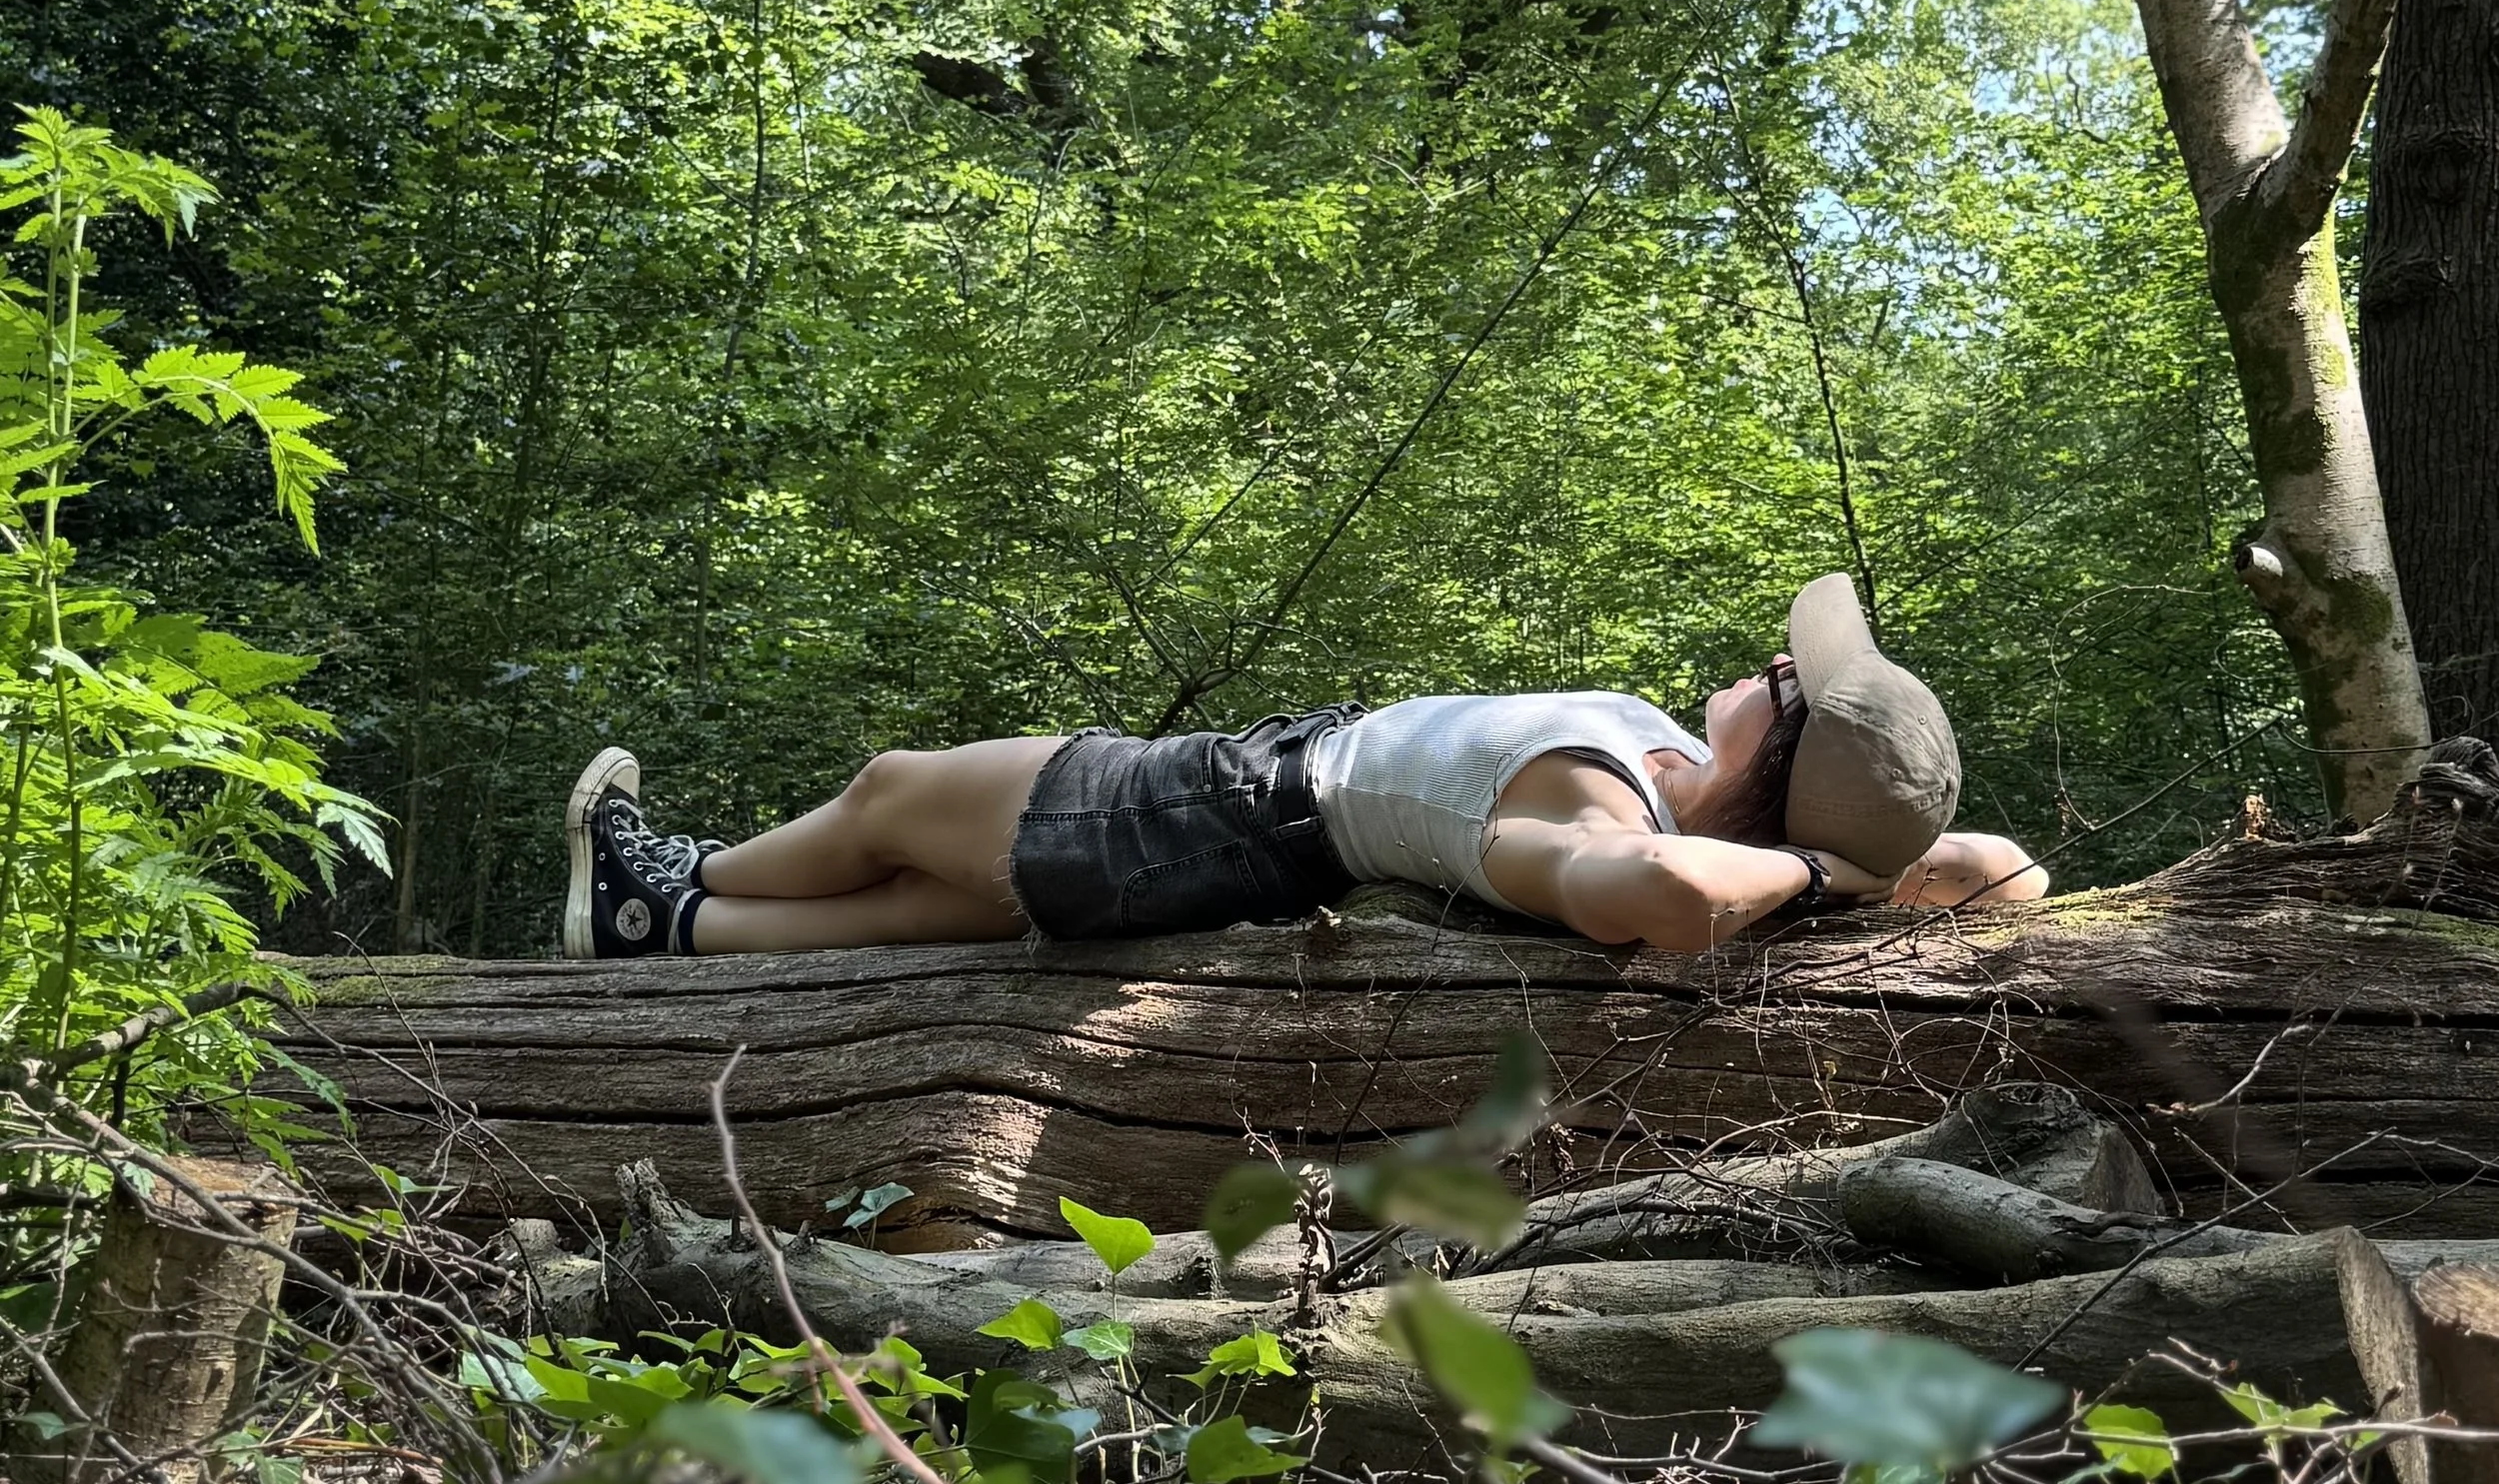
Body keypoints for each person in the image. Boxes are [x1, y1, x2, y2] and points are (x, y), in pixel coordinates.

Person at [561, 577, 2045, 963]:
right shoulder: (1663, 768)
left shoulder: (1594, 820)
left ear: (1774, 751)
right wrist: (1853, 868)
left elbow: (1651, 894)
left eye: (1783, 681)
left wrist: (1803, 869)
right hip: (1236, 839)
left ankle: (672, 876)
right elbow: (2004, 871)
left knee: (892, 795)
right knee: (919, 911)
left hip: (1204, 812)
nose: (1765, 661)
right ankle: (669, 935)